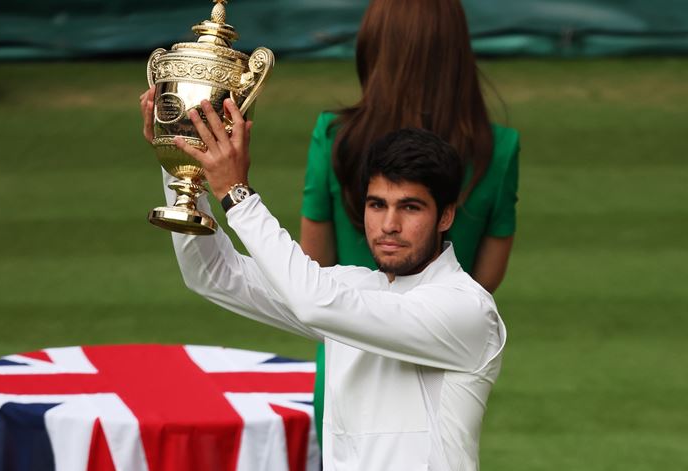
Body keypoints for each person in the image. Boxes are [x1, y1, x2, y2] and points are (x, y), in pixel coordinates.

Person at [144, 94, 506, 470]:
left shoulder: (466, 309)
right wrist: (183, 163)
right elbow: (212, 274)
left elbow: (315, 301)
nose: (389, 225)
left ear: (445, 216)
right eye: (377, 204)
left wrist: (238, 196)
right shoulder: (353, 291)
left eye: (410, 207)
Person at [299, 0, 520, 444]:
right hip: (439, 374)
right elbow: (485, 280)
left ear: (375, 46)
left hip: (347, 372)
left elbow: (313, 266)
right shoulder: (498, 148)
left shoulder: (333, 135)